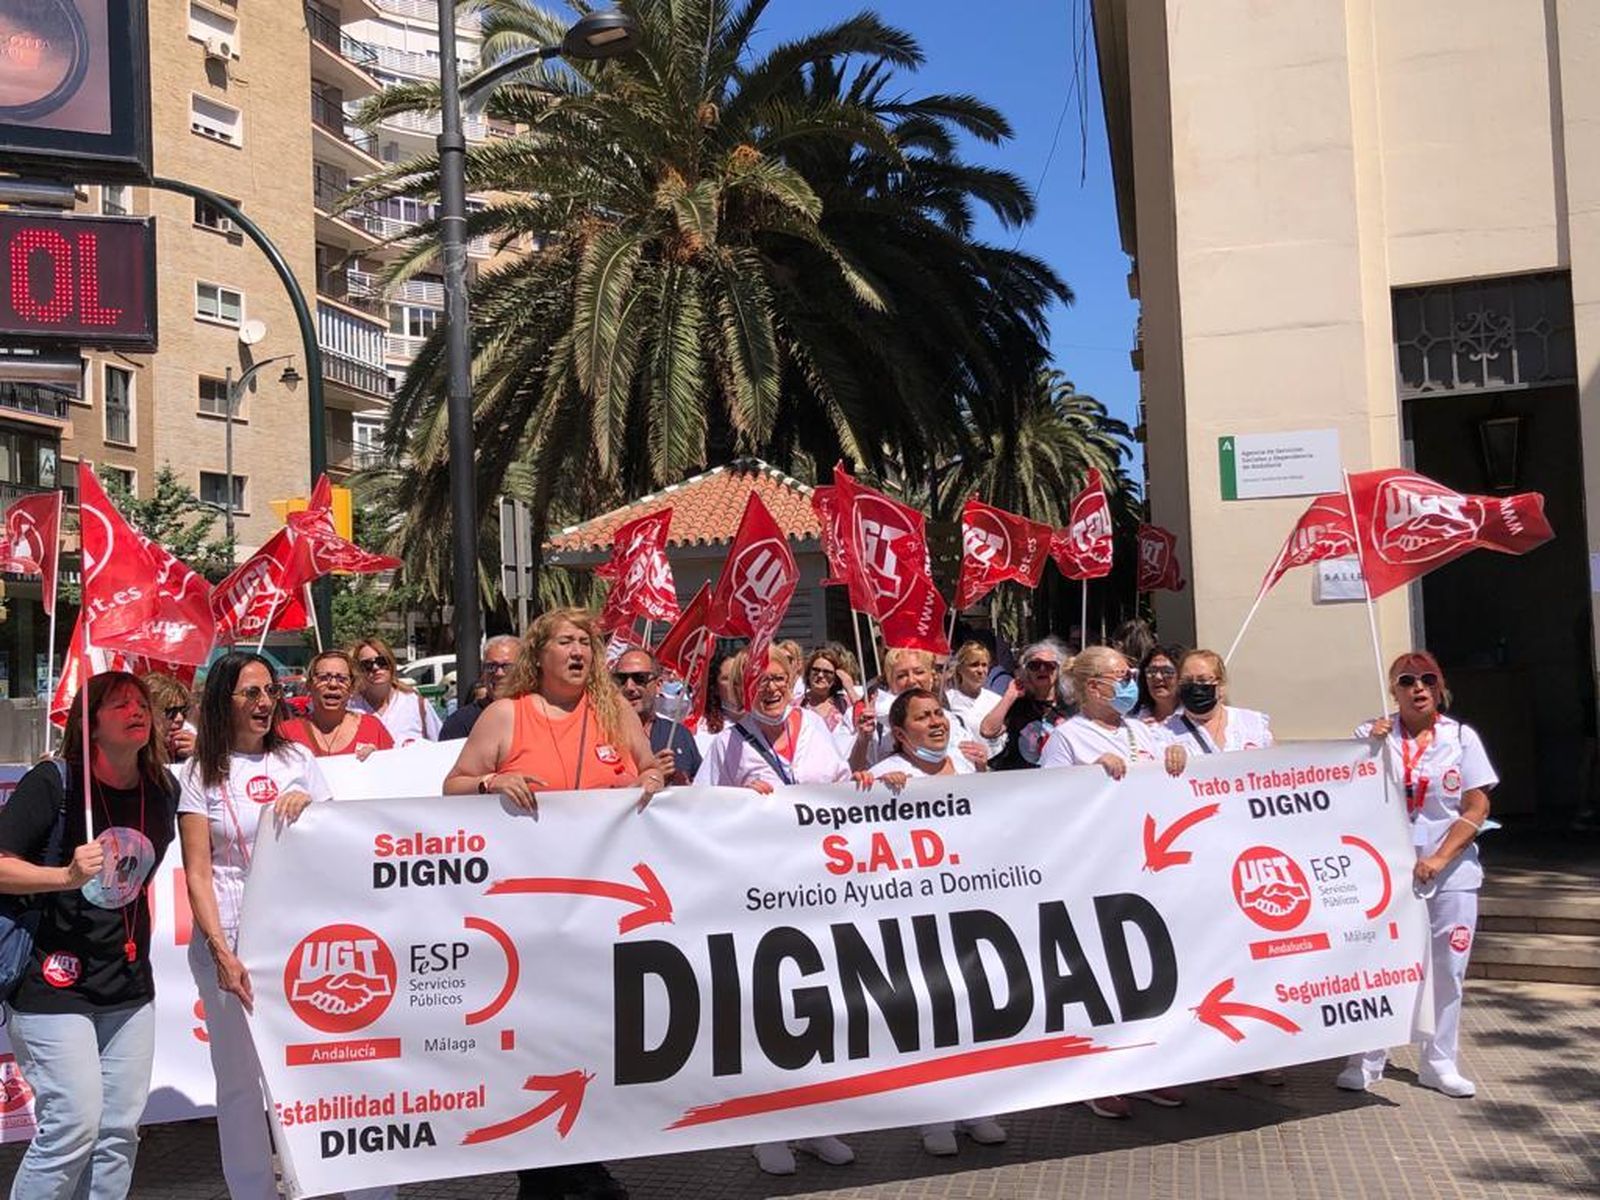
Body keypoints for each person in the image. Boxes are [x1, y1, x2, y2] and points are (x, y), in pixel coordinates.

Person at [442, 610, 663, 1200]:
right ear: (539, 654)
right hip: (530, 921)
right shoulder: (505, 715)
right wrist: (489, 784)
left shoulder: (614, 713)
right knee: (541, 1044)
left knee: (598, 1042)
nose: (578, 652)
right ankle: (543, 1173)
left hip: (605, 913)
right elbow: (453, 786)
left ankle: (588, 1162)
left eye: (586, 644)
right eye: (565, 642)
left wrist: (649, 783)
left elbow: (648, 771)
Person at [176, 653, 392, 1200]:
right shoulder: (200, 773)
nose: (264, 703)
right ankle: (253, 1192)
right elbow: (198, 872)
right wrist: (221, 951)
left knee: (311, 1074)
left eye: (270, 691)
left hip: (297, 945)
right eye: (250, 693)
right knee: (241, 1086)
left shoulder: (297, 757)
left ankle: (326, 1184)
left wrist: (310, 807)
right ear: (224, 698)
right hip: (228, 944)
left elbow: (335, 845)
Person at [691, 644, 869, 1175]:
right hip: (758, 898)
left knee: (821, 1006)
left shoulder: (815, 729)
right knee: (768, 1011)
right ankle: (766, 1127)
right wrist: (741, 802)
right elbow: (700, 815)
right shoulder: (727, 742)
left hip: (820, 890)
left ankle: (817, 1124)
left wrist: (862, 785)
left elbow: (842, 787)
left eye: (775, 676)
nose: (768, 686)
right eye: (756, 679)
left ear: (791, 677)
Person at [0, 672, 177, 1200]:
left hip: (127, 986)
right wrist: (64, 878)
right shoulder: (54, 783)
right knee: (72, 1127)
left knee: (120, 1133)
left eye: (141, 702)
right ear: (89, 723)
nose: (136, 710)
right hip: (50, 984)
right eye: (119, 703)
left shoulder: (161, 790)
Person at [1337, 652, 1495, 1099]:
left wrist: (1442, 858)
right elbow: (1345, 795)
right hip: (1387, 871)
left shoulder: (1461, 737)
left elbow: (1477, 806)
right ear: (1394, 689)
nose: (1418, 687)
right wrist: (1365, 748)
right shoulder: (1372, 735)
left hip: (1450, 871)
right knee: (1376, 963)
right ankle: (1367, 1056)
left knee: (1447, 967)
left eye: (1427, 679)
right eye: (1406, 680)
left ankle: (1439, 1060)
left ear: (1439, 686)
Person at [1038, 646, 1187, 1118]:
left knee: (1147, 971)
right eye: (1120, 675)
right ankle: (1096, 1077)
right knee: (1103, 974)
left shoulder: (1143, 730)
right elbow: (1047, 804)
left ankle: (1146, 1068)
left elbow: (1177, 774)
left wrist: (1181, 754)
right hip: (1096, 871)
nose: (1129, 683)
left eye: (1130, 674)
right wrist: (1090, 775)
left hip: (1147, 869)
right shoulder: (1068, 738)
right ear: (1091, 685)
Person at [1161, 649, 1280, 1089]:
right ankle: (1219, 1056)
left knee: (1259, 957)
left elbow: (1280, 774)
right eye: (1188, 679)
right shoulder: (1163, 734)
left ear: (1221, 683)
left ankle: (1263, 1050)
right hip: (1202, 865)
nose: (1196, 686)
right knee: (1214, 963)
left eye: (1205, 679)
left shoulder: (1254, 724)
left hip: (1253, 859)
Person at [851, 648, 985, 771]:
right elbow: (854, 777)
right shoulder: (876, 726)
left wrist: (981, 765)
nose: (911, 680)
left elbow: (974, 778)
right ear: (891, 683)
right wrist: (863, 741)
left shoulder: (956, 722)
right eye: (902, 675)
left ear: (931, 677)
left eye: (919, 672)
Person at [280, 650, 394, 759]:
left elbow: (395, 771)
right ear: (310, 685)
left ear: (352, 687)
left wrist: (379, 760)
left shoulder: (372, 728)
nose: (333, 684)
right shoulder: (286, 733)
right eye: (323, 678)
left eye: (342, 679)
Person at [612, 646, 702, 785]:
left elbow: (701, 791)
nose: (629, 687)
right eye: (621, 679)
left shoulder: (679, 735)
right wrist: (650, 776)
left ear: (659, 684)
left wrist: (682, 783)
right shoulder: (601, 735)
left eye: (640, 678)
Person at [982, 638, 1073, 770]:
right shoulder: (1018, 704)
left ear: (1058, 671)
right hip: (1021, 779)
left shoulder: (1071, 706)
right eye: (1034, 666)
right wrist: (1010, 695)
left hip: (1058, 778)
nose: (1042, 669)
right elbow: (987, 731)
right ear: (1026, 671)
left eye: (1049, 666)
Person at [1164, 649, 1273, 754]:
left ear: (1221, 686)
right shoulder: (1166, 733)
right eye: (1187, 681)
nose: (1195, 686)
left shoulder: (1251, 724)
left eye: (1203, 680)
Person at [347, 636, 441, 746]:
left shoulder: (416, 704)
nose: (375, 668)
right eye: (367, 665)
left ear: (391, 663)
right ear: (358, 669)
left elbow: (440, 744)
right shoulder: (350, 707)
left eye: (382, 661)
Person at [439, 636, 521, 741]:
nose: (499, 673)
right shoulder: (460, 723)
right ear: (483, 673)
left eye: (508, 667)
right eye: (491, 667)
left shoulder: (538, 714)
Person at [944, 640, 1007, 758]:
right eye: (974, 665)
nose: (980, 670)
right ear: (960, 668)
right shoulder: (947, 700)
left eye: (984, 665)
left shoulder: (997, 700)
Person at [799, 644, 861, 757]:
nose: (820, 675)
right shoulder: (797, 705)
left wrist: (849, 688)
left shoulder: (845, 703)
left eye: (827, 672)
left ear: (835, 677)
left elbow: (864, 720)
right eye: (815, 670)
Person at [142, 671, 196, 762]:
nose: (180, 718)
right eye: (171, 712)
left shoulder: (189, 751)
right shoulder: (129, 753)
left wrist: (200, 754)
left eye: (183, 711)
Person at [1134, 644, 1185, 724]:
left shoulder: (1194, 718)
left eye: (1167, 671)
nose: (1158, 677)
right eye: (1152, 671)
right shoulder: (1134, 719)